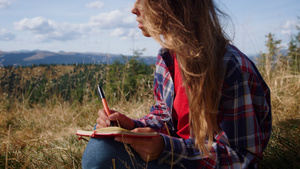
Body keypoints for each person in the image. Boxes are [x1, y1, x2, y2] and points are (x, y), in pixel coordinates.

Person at [82, 0, 272, 168]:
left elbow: (242, 158)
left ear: (174, 5)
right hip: (179, 155)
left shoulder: (229, 68)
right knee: (105, 136)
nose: (134, 9)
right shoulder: (167, 58)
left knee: (101, 154)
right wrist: (132, 125)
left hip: (195, 162)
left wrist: (166, 148)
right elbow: (165, 116)